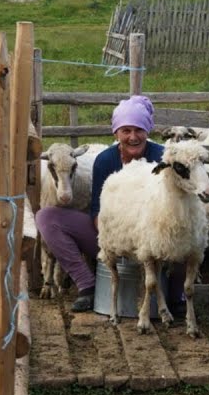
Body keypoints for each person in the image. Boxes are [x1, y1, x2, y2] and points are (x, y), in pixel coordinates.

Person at [36, 95, 173, 313]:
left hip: (153, 241)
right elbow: (97, 211)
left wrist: (146, 240)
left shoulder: (162, 158)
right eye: (126, 131)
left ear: (148, 131)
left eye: (139, 130)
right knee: (46, 217)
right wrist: (115, 238)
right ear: (116, 133)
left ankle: (174, 294)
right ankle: (87, 285)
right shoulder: (105, 161)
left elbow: (171, 207)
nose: (133, 137)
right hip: (112, 238)